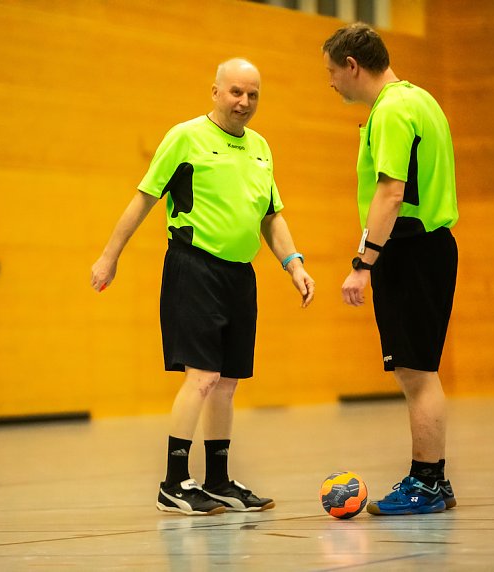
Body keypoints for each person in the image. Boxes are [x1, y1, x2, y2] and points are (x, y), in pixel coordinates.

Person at [91, 58, 315, 516]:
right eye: (235, 92)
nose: (244, 102)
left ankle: (218, 479)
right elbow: (144, 198)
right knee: (203, 376)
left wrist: (293, 264)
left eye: (253, 94)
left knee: (228, 382)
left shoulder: (260, 147)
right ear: (215, 91)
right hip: (194, 267)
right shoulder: (185, 137)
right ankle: (174, 482)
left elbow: (271, 215)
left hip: (239, 275)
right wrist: (109, 256)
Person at [322, 23, 459, 515]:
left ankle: (425, 483)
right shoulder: (420, 99)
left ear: (353, 66)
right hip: (429, 247)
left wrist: (363, 263)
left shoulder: (392, 111)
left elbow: (391, 190)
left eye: (333, 72)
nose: (332, 82)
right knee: (418, 370)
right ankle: (434, 481)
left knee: (417, 374)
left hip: (410, 250)